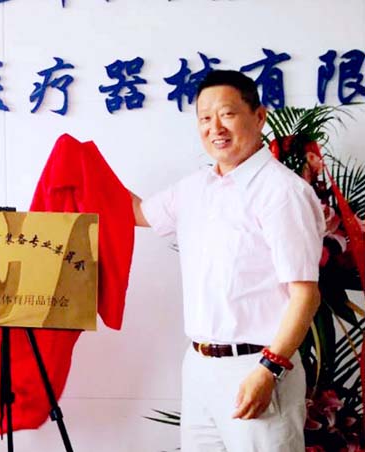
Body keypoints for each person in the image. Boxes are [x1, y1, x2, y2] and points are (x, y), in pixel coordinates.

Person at [131, 70, 325, 451]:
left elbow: (306, 296)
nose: (215, 128)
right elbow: (139, 213)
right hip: (199, 367)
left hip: (257, 366)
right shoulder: (195, 188)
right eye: (205, 118)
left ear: (259, 116)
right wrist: (78, 162)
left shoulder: (281, 192)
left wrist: (269, 369)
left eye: (227, 114)